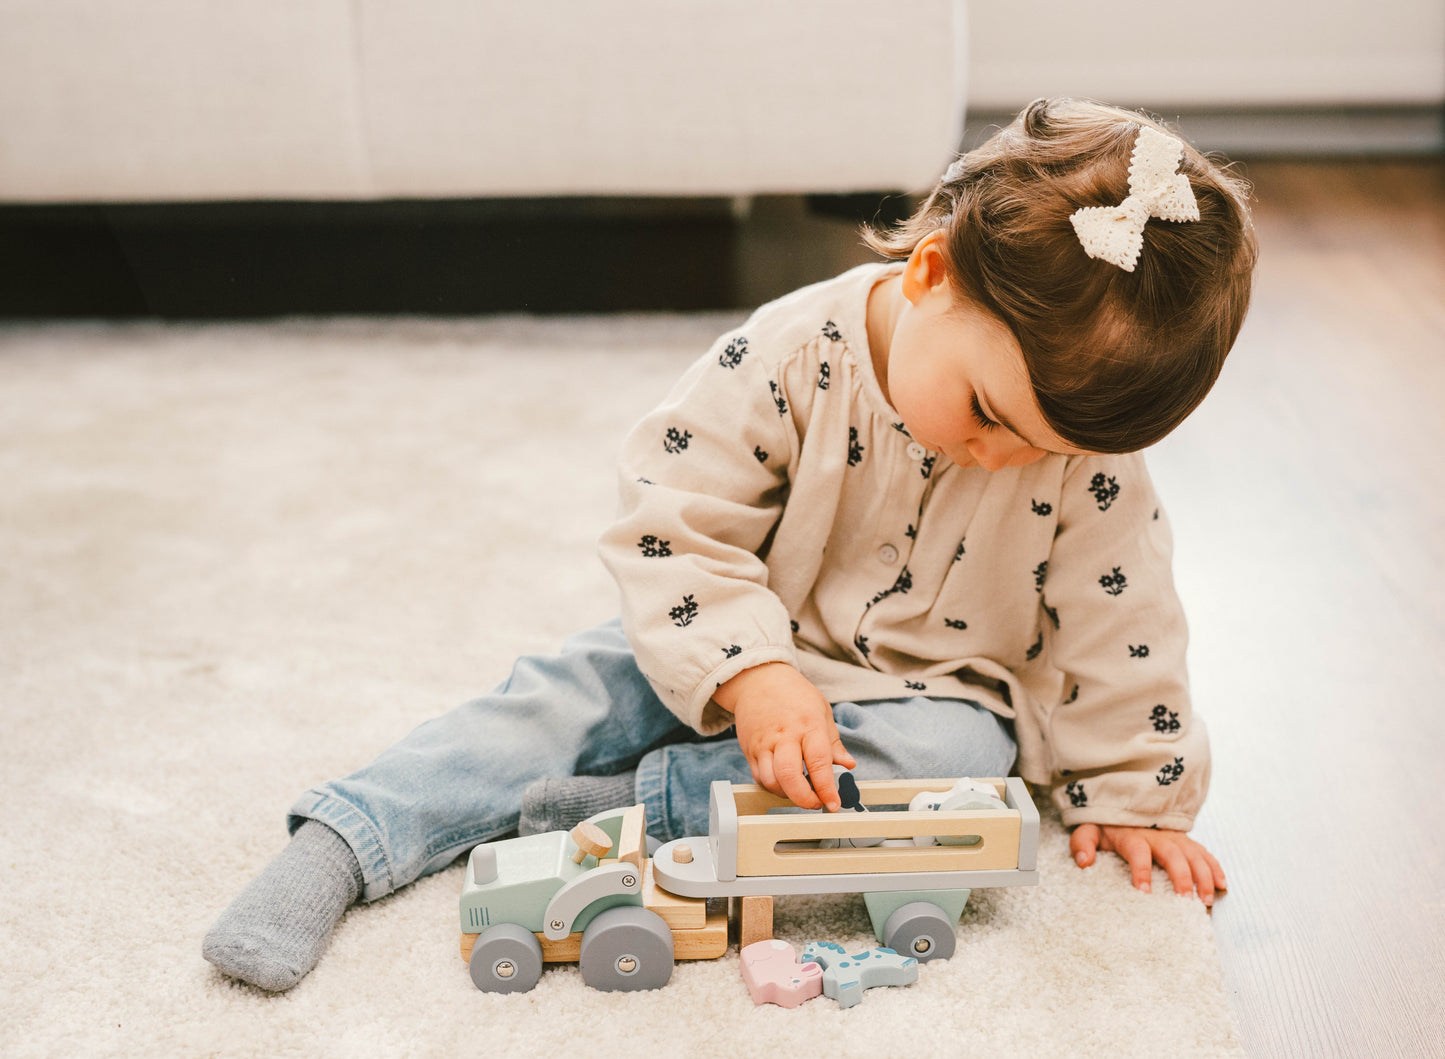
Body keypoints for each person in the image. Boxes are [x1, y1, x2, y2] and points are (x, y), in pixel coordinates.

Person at [203, 98, 1257, 992]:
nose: (998, 459)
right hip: (721, 642)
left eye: (1040, 447)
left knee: (964, 766)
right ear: (933, 273)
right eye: (985, 411)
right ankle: (349, 839)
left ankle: (624, 811)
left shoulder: (1076, 457)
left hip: (915, 697)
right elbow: (673, 520)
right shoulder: (793, 355)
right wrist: (750, 672)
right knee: (562, 694)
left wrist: (1133, 795)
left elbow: (1119, 624)